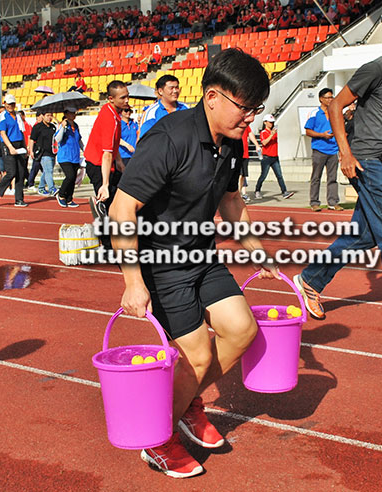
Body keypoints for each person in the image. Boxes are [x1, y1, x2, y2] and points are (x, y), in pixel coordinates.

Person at [109, 48, 278, 479]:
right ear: (213, 97)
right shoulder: (169, 139)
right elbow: (122, 210)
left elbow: (231, 200)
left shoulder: (234, 142)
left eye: (256, 109)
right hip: (161, 262)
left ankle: (184, 404)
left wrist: (258, 251)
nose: (250, 118)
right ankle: (156, 437)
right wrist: (133, 281)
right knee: (198, 356)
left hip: (201, 254)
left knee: (242, 329)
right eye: (245, 108)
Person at [292, 11, 382, 339]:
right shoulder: (375, 69)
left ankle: (311, 280)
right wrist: (346, 152)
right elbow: (337, 106)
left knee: (364, 236)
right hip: (366, 161)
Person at [84, 80, 129, 246]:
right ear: (111, 98)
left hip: (106, 162)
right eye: (122, 98)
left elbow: (113, 145)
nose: (127, 101)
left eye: (127, 96)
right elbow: (106, 154)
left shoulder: (114, 114)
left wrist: (119, 163)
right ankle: (108, 244)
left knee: (119, 198)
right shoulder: (110, 118)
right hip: (98, 164)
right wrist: (104, 183)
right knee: (108, 202)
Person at [304, 88, 341, 211]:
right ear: (321, 99)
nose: (330, 100)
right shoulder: (315, 113)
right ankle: (314, 202)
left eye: (331, 97)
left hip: (333, 149)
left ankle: (333, 202)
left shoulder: (335, 112)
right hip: (319, 149)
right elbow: (308, 131)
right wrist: (322, 135)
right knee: (316, 177)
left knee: (333, 178)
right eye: (328, 97)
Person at [0, 94, 28, 207]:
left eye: (12, 104)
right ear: (5, 104)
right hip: (8, 144)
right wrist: (10, 147)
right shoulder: (3, 116)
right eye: (8, 104)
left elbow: (21, 132)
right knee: (11, 171)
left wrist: (25, 148)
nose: (10, 106)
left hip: (19, 144)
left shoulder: (17, 116)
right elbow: (2, 133)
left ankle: (19, 199)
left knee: (21, 173)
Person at [254, 114, 293, 200]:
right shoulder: (264, 132)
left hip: (275, 157)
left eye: (272, 122)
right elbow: (264, 143)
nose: (271, 124)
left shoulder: (274, 132)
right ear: (265, 123)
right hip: (266, 157)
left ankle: (284, 191)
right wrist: (271, 135)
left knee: (279, 175)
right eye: (270, 122)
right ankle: (257, 190)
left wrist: (273, 133)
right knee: (263, 175)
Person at [138, 75, 189, 139]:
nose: (175, 91)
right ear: (160, 91)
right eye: (171, 88)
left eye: (177, 87)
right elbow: (143, 139)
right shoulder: (151, 112)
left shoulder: (186, 108)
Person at [54, 107, 83, 207]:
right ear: (66, 114)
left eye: (74, 112)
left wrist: (84, 150)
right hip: (65, 156)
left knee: (73, 177)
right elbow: (58, 139)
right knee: (70, 176)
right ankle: (61, 194)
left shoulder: (76, 125)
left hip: (75, 155)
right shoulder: (62, 125)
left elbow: (79, 140)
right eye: (71, 113)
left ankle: (69, 198)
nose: (73, 114)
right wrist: (62, 127)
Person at [28, 111, 57, 196]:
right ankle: (52, 188)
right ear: (43, 116)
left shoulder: (53, 127)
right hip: (43, 153)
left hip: (52, 152)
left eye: (51, 115)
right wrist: (31, 151)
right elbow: (32, 139)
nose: (49, 117)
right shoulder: (38, 127)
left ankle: (41, 187)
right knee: (49, 171)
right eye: (47, 115)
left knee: (46, 172)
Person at [239, 125, 260, 202]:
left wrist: (257, 145)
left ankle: (241, 193)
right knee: (239, 175)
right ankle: (237, 195)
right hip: (236, 153)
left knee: (243, 175)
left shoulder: (245, 124)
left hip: (245, 154)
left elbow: (250, 133)